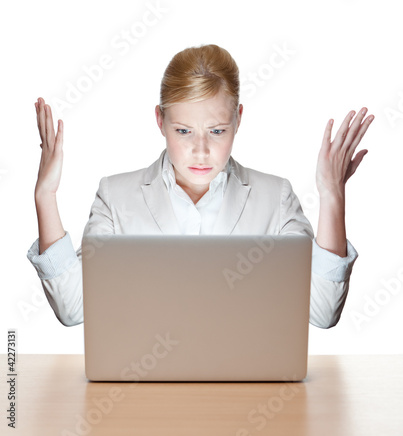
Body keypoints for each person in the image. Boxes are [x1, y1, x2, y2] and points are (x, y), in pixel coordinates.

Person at [26, 44, 374, 328]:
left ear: (238, 119)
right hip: (143, 394)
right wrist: (45, 197)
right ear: (160, 121)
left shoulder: (275, 198)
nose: (201, 150)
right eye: (184, 131)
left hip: (248, 396)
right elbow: (72, 308)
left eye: (217, 130)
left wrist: (332, 197)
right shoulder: (116, 198)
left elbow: (323, 312)